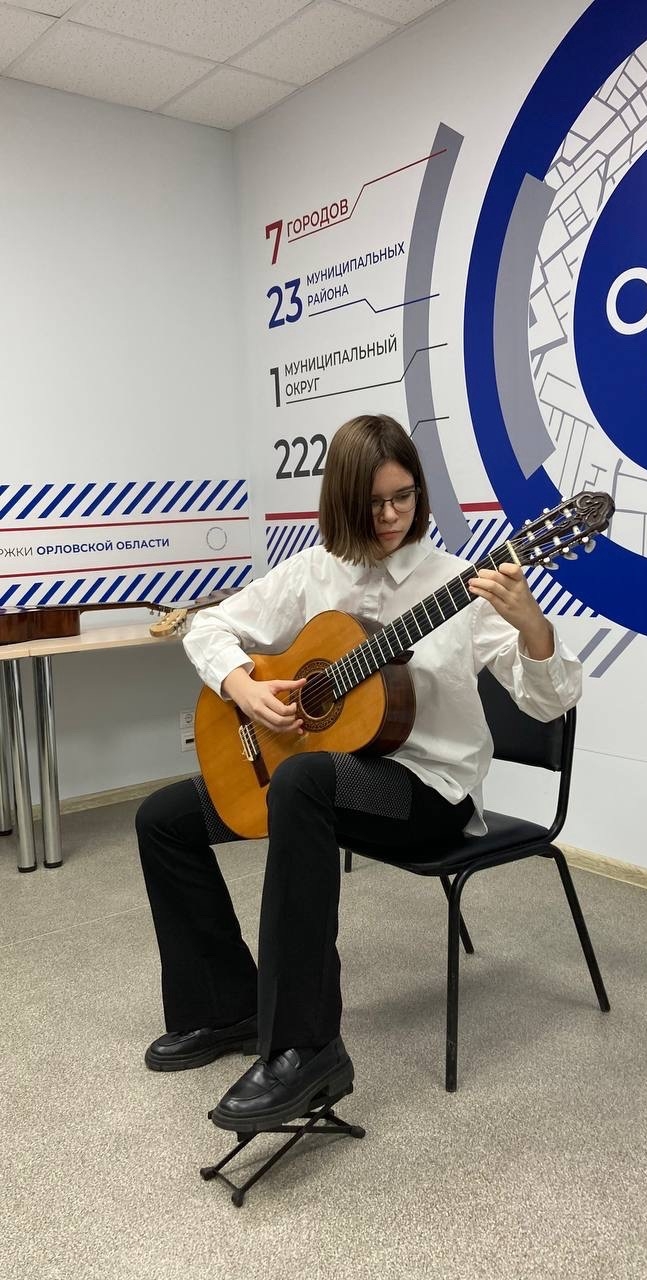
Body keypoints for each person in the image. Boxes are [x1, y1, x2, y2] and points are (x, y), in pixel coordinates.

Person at [136, 413, 582, 1131]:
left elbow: (548, 700)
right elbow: (207, 625)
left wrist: (533, 625)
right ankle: (225, 1009)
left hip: (426, 792)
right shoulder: (315, 572)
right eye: (372, 503)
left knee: (302, 783)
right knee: (162, 820)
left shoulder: (458, 585)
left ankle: (306, 1048)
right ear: (340, 503)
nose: (391, 515)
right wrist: (243, 688)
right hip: (328, 777)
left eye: (404, 496)